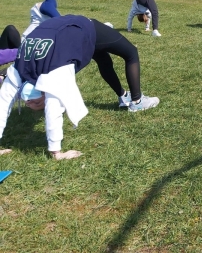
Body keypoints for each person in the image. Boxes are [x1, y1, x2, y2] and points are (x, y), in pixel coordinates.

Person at [0, 15, 160, 160]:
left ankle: (137, 101)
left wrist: (56, 152)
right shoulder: (21, 67)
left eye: (34, 104)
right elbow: (3, 101)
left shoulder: (53, 67)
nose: (32, 106)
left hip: (86, 26)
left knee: (131, 52)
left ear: (45, 89)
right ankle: (123, 95)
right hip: (62, 31)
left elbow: (53, 105)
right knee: (102, 57)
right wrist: (56, 152)